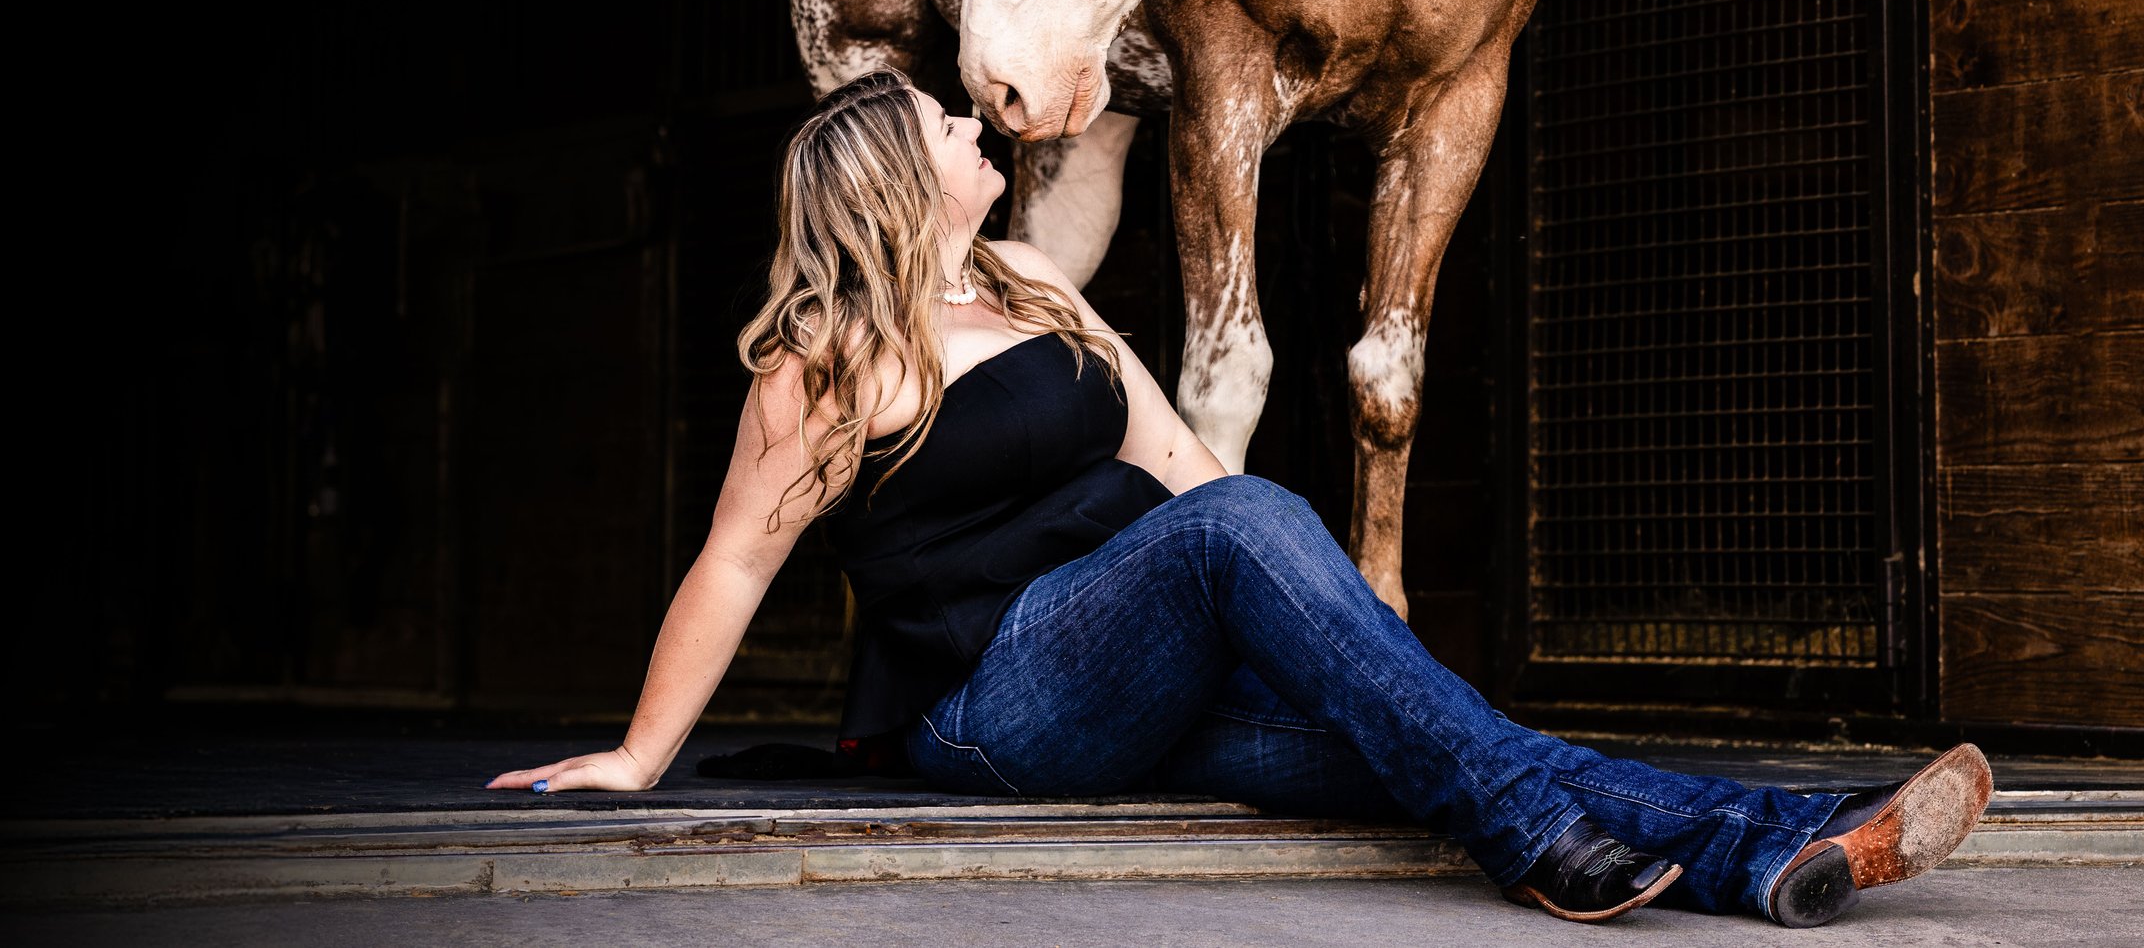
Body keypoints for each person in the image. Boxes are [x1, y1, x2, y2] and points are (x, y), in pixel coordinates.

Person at [489, 69, 1991, 925]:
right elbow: (736, 563)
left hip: (1136, 664)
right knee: (1254, 537)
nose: (973, 129)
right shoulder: (831, 362)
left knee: (1410, 727)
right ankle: (1540, 834)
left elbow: (1177, 465)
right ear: (893, 176)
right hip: (997, 706)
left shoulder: (1026, 287)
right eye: (948, 126)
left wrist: (1337, 636)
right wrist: (635, 755)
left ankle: (1790, 847)